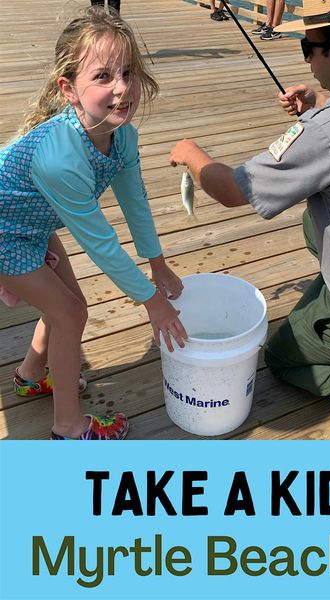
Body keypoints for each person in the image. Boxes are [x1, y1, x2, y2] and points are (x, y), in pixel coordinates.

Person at [168, 0, 330, 439]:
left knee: (286, 357)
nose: (307, 58)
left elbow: (234, 190)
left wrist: (190, 153)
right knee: (315, 222)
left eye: (307, 48)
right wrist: (322, 104)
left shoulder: (327, 131)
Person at [0, 8, 188, 440]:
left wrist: (156, 262)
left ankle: (31, 375)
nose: (122, 88)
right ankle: (68, 427)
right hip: (5, 234)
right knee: (67, 315)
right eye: (103, 76)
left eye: (128, 72)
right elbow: (101, 244)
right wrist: (151, 301)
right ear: (68, 89)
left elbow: (134, 202)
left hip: (32, 227)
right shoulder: (60, 159)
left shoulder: (122, 135)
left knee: (71, 308)